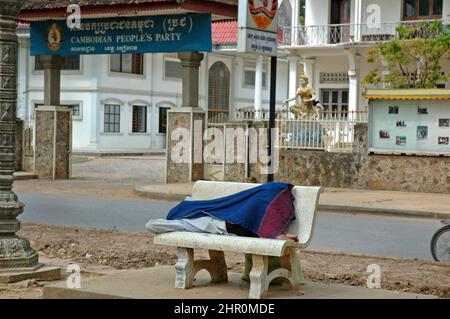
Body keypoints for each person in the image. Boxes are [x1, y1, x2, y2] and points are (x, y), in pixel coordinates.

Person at [146, 182, 298, 242]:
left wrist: (280, 234)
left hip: (229, 222)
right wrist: (280, 235)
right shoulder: (187, 222)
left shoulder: (194, 214)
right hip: (227, 224)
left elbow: (262, 218)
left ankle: (278, 233)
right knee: (260, 202)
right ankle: (278, 234)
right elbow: (151, 225)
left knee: (260, 202)